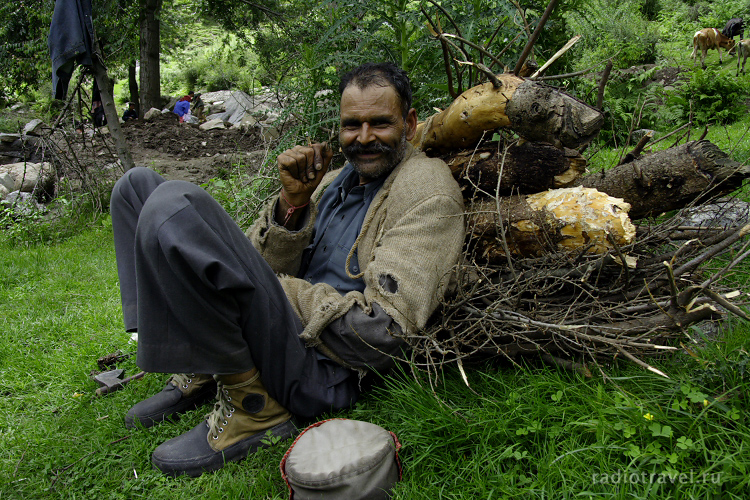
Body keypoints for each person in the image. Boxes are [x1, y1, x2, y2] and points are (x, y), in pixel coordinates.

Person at [109, 62, 465, 477]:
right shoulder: (336, 179)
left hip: (319, 369)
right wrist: (291, 207)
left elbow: (381, 333)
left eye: (380, 123)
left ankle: (253, 408)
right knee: (135, 187)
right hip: (276, 329)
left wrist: (276, 291)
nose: (364, 138)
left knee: (175, 203)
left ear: (409, 123)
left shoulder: (426, 192)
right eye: (352, 125)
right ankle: (203, 363)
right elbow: (246, 264)